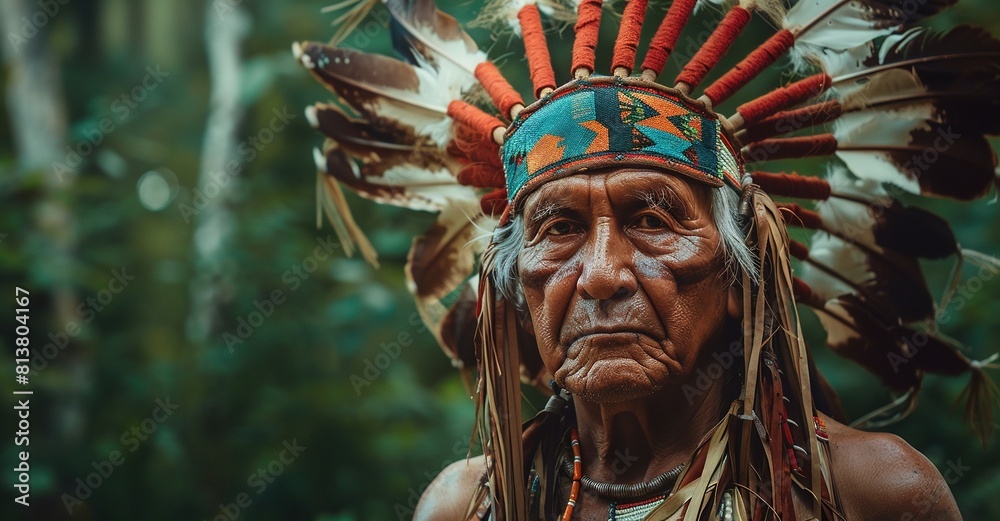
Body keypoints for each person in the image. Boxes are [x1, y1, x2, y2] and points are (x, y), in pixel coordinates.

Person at [295, 0, 999, 518]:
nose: (602, 275)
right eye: (560, 227)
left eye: (654, 221)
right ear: (518, 290)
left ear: (737, 275)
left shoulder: (870, 492)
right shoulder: (467, 505)